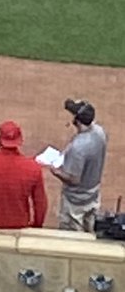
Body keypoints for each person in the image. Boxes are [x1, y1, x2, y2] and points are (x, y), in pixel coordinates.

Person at [48, 99, 107, 232]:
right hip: (93, 195)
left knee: (71, 239)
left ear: (77, 121)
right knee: (90, 231)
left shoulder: (78, 148)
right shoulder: (100, 132)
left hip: (75, 203)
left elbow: (74, 180)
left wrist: (55, 171)